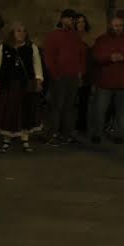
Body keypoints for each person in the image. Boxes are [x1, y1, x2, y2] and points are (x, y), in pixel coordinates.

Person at [0, 23, 44, 153]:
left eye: (24, 31)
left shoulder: (32, 47)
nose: (21, 33)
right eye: (18, 31)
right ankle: (7, 139)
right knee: (9, 112)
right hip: (9, 85)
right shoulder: (4, 48)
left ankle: (25, 138)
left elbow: (37, 64)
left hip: (26, 85)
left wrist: (39, 80)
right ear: (12, 34)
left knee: (26, 111)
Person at [90, 14, 124, 145]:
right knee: (100, 110)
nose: (118, 28)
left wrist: (123, 57)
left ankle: (119, 134)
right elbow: (96, 56)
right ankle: (97, 133)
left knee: (120, 112)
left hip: (123, 82)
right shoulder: (101, 40)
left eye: (120, 26)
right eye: (115, 25)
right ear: (110, 26)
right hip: (105, 81)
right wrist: (109, 57)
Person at [43, 9, 86, 145]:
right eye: (69, 19)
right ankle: (51, 135)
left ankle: (67, 134)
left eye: (73, 19)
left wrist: (80, 72)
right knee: (56, 106)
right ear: (62, 19)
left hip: (72, 75)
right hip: (59, 76)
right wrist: (55, 74)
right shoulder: (54, 35)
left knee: (69, 106)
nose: (71, 21)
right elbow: (49, 56)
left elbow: (80, 55)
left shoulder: (75, 36)